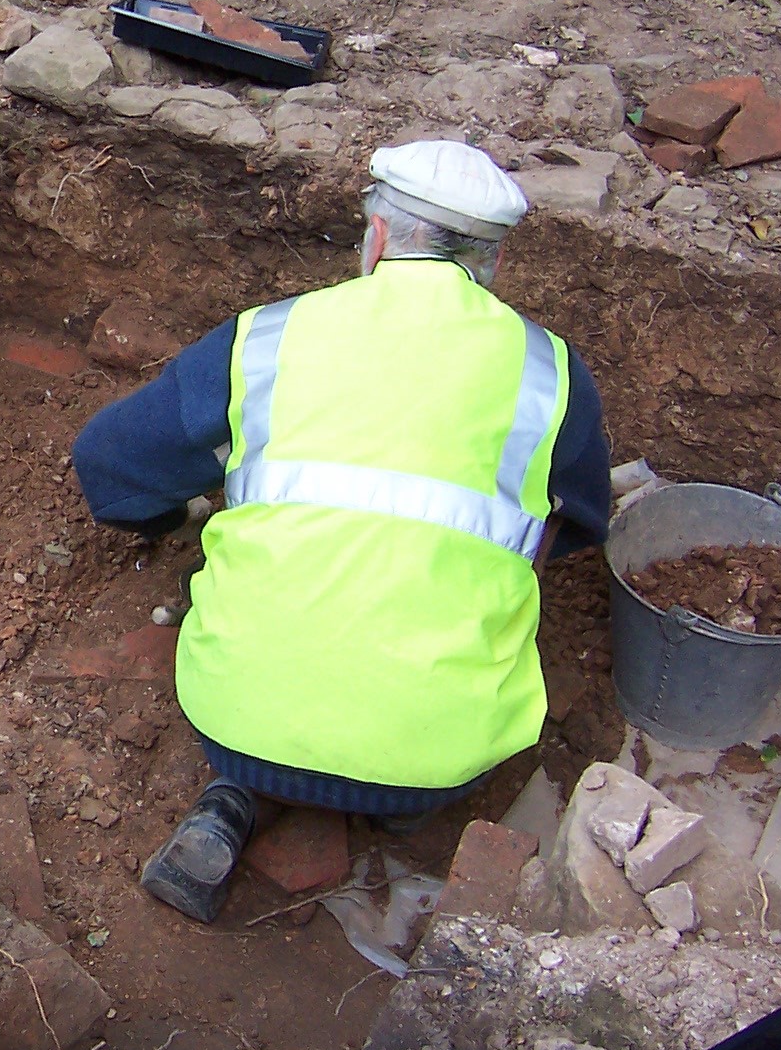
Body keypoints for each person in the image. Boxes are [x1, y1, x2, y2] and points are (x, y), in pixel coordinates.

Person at [71, 140, 611, 922]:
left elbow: (107, 464)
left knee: (262, 727)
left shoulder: (267, 338)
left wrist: (174, 515)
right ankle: (393, 812)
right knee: (419, 759)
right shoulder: (551, 374)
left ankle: (234, 796)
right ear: (489, 264)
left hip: (235, 720)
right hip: (440, 757)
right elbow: (583, 525)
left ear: (378, 238)